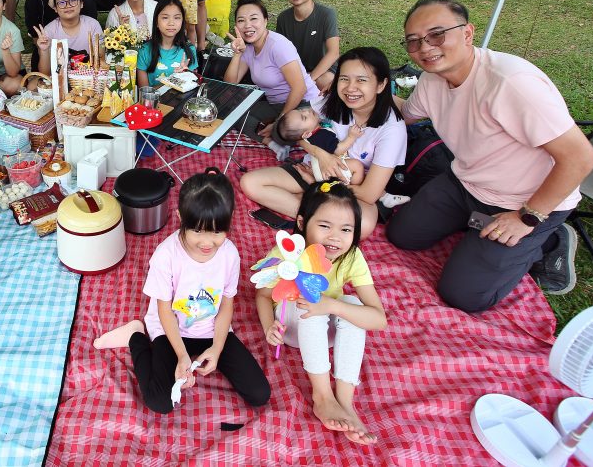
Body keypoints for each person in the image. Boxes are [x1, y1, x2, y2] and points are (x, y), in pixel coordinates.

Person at [387, 0, 593, 310]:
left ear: (468, 33)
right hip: (465, 184)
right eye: (414, 41)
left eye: (437, 34)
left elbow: (582, 158)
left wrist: (528, 217)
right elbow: (407, 113)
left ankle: (551, 237)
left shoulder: (511, 83)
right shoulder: (432, 80)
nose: (425, 48)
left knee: (464, 295)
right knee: (402, 234)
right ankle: (478, 231)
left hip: (523, 202)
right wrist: (361, 86)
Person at [92, 168, 270, 414]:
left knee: (260, 394)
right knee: (159, 402)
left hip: (211, 327)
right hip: (171, 329)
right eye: (197, 230)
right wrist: (182, 355)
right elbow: (164, 310)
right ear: (180, 217)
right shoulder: (166, 255)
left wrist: (217, 349)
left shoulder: (230, 253)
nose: (207, 242)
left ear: (229, 222)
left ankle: (205, 348)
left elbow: (227, 302)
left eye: (217, 231)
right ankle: (135, 336)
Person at [255, 181, 386, 444]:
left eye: (346, 229)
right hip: (293, 328)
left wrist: (334, 306)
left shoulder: (352, 258)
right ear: (302, 223)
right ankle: (323, 396)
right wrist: (269, 325)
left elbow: (378, 319)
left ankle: (346, 402)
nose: (335, 237)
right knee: (308, 297)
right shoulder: (288, 254)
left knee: (354, 303)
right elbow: (263, 294)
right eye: (325, 226)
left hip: (329, 332)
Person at [242, 48, 407, 239]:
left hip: (353, 186)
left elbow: (370, 194)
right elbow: (299, 133)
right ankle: (319, 216)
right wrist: (321, 155)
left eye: (361, 80)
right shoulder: (333, 100)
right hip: (313, 168)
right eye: (344, 79)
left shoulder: (392, 129)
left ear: (381, 84)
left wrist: (322, 185)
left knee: (363, 224)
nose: (350, 88)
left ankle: (311, 207)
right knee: (251, 183)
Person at [274, 104, 410, 209]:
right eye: (304, 117)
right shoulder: (321, 136)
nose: (307, 111)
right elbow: (337, 150)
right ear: (306, 134)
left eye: (301, 111)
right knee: (357, 166)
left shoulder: (315, 133)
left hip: (320, 167)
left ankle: (383, 196)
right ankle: (366, 191)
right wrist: (351, 137)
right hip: (329, 169)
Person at [224, 0, 320, 142]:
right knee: (232, 111)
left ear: (265, 21)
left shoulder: (278, 45)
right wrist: (237, 54)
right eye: (241, 20)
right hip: (276, 105)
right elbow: (230, 85)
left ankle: (278, 136)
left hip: (304, 104)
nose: (247, 25)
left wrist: (279, 122)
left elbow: (300, 88)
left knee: (286, 130)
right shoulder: (247, 48)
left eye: (254, 18)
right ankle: (270, 142)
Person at [275, 0, 340, 94]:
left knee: (325, 82)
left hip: (323, 71)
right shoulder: (283, 18)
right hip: (296, 71)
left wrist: (309, 80)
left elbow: (334, 52)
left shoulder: (326, 14)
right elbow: (281, 52)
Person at [34, 0, 104, 74]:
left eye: (73, 0)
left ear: (81, 3)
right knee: (32, 85)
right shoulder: (49, 31)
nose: (68, 5)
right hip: (59, 78)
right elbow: (45, 74)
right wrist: (44, 50)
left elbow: (101, 61)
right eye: (62, 2)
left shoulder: (92, 25)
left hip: (87, 78)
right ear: (55, 8)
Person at [136, 0, 197, 88]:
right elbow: (145, 93)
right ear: (156, 21)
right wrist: (174, 80)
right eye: (165, 17)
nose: (171, 23)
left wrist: (186, 76)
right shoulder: (144, 51)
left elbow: (193, 86)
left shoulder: (189, 50)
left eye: (177, 18)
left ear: (182, 21)